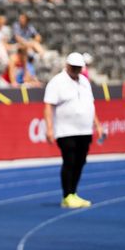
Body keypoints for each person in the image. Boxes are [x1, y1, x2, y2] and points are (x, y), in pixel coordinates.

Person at [44, 52, 104, 208]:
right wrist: (49, 128)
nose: (76, 70)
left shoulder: (84, 81)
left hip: (84, 130)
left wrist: (97, 124)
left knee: (80, 161)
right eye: (74, 67)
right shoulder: (57, 82)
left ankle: (73, 193)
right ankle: (67, 195)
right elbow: (49, 105)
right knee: (69, 161)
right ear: (67, 65)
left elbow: (90, 104)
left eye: (79, 67)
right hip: (66, 131)